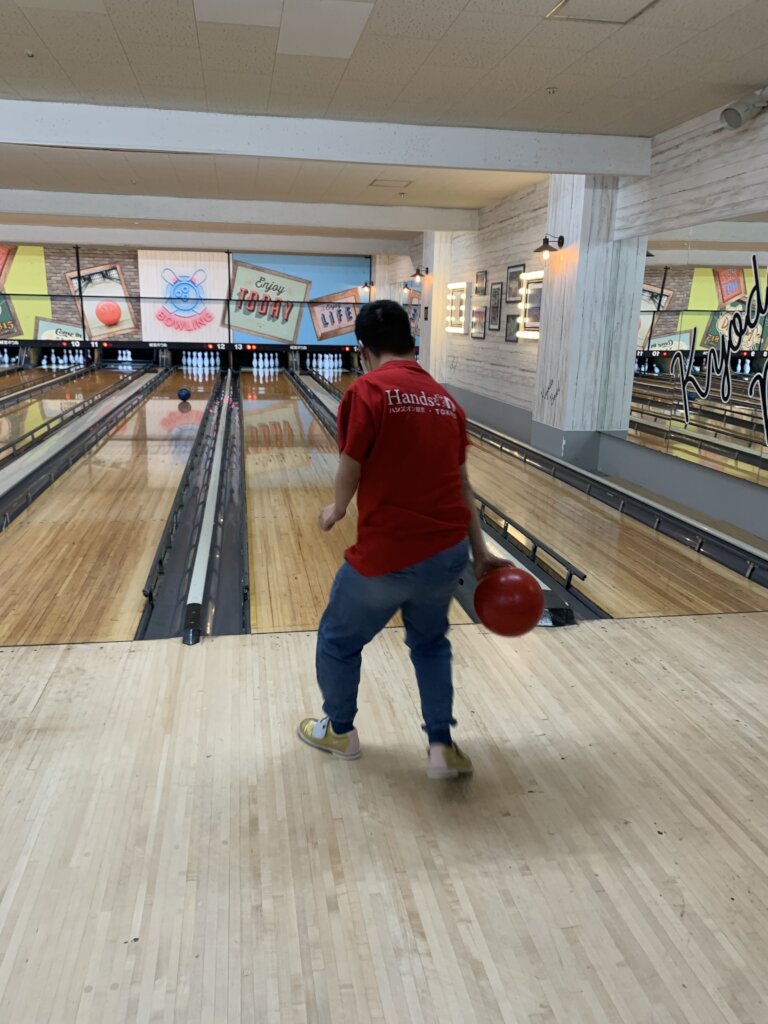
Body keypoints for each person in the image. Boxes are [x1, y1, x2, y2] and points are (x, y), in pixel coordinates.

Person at [297, 300, 508, 779]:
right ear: (413, 344)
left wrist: (338, 508)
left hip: (387, 556)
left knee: (337, 640)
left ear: (362, 349)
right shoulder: (446, 401)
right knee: (430, 644)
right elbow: (462, 484)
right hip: (446, 554)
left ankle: (340, 731)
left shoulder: (366, 391)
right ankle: (441, 746)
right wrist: (480, 552)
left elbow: (350, 464)